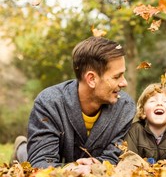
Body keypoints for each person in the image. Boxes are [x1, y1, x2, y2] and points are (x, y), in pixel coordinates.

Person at [10, 36, 136, 169]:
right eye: (117, 77)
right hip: (58, 162)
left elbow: (114, 156)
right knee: (28, 160)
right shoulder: (48, 102)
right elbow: (42, 162)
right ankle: (21, 149)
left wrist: (94, 167)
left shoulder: (125, 107)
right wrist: (74, 169)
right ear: (91, 79)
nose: (124, 83)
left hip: (91, 167)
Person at [125, 83, 166, 162]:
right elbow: (129, 160)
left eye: (165, 101)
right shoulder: (134, 131)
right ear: (143, 110)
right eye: (152, 101)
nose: (159, 103)